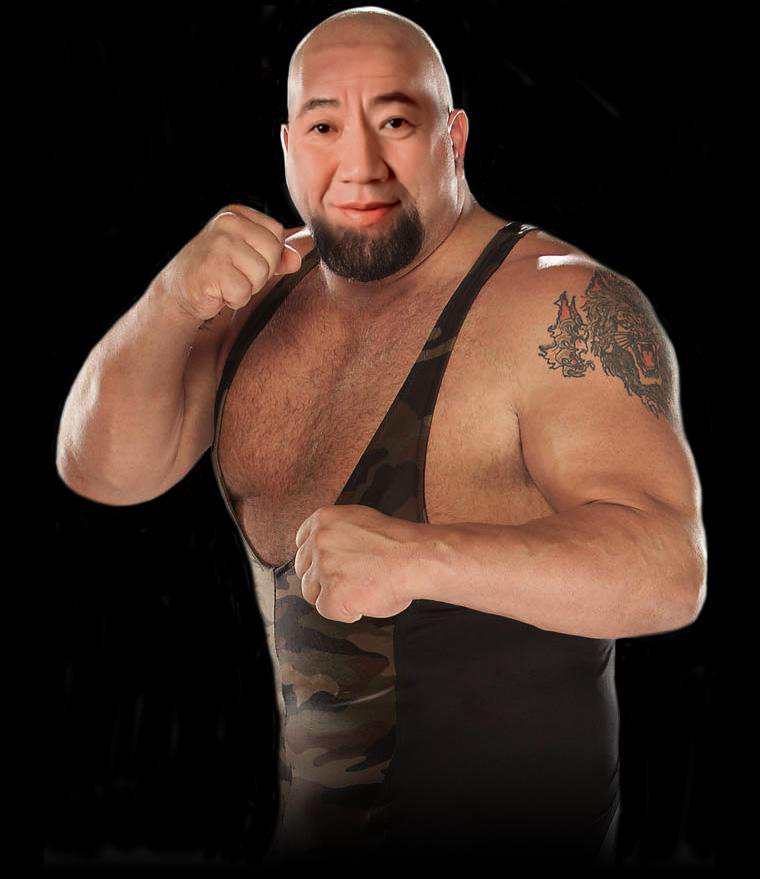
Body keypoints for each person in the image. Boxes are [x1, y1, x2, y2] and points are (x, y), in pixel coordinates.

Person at [55, 5, 707, 872]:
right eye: (325, 126)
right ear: (288, 145)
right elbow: (103, 471)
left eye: (396, 122)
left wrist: (423, 558)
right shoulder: (259, 295)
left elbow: (669, 570)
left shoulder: (561, 306)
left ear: (454, 137)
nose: (360, 165)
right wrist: (167, 304)